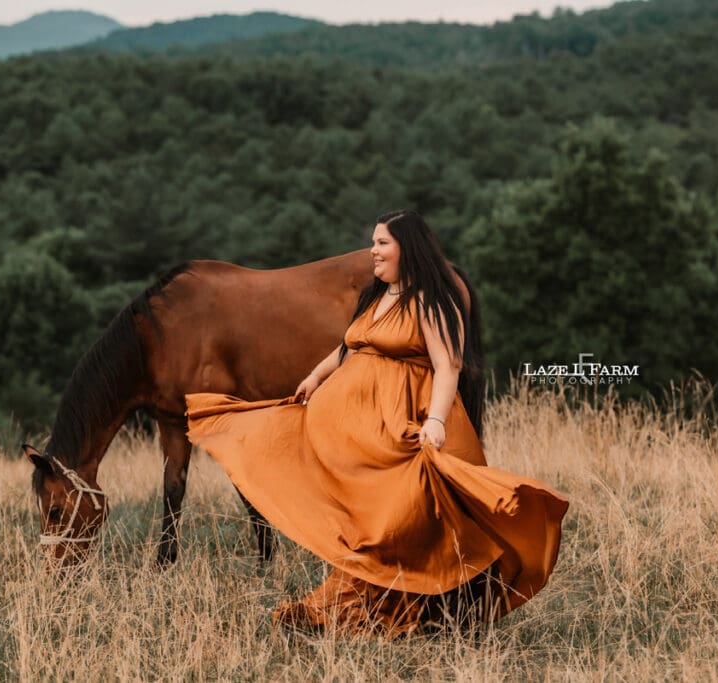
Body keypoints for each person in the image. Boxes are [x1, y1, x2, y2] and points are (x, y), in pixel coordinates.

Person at [185, 210, 569, 636]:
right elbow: (349, 347)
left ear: (409, 247)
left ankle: (429, 610)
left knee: (404, 519)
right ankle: (384, 607)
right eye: (374, 242)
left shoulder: (431, 300)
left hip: (410, 420)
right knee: (346, 501)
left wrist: (437, 420)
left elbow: (448, 365)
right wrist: (315, 377)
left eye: (382, 243)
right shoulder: (375, 295)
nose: (373, 251)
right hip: (362, 431)